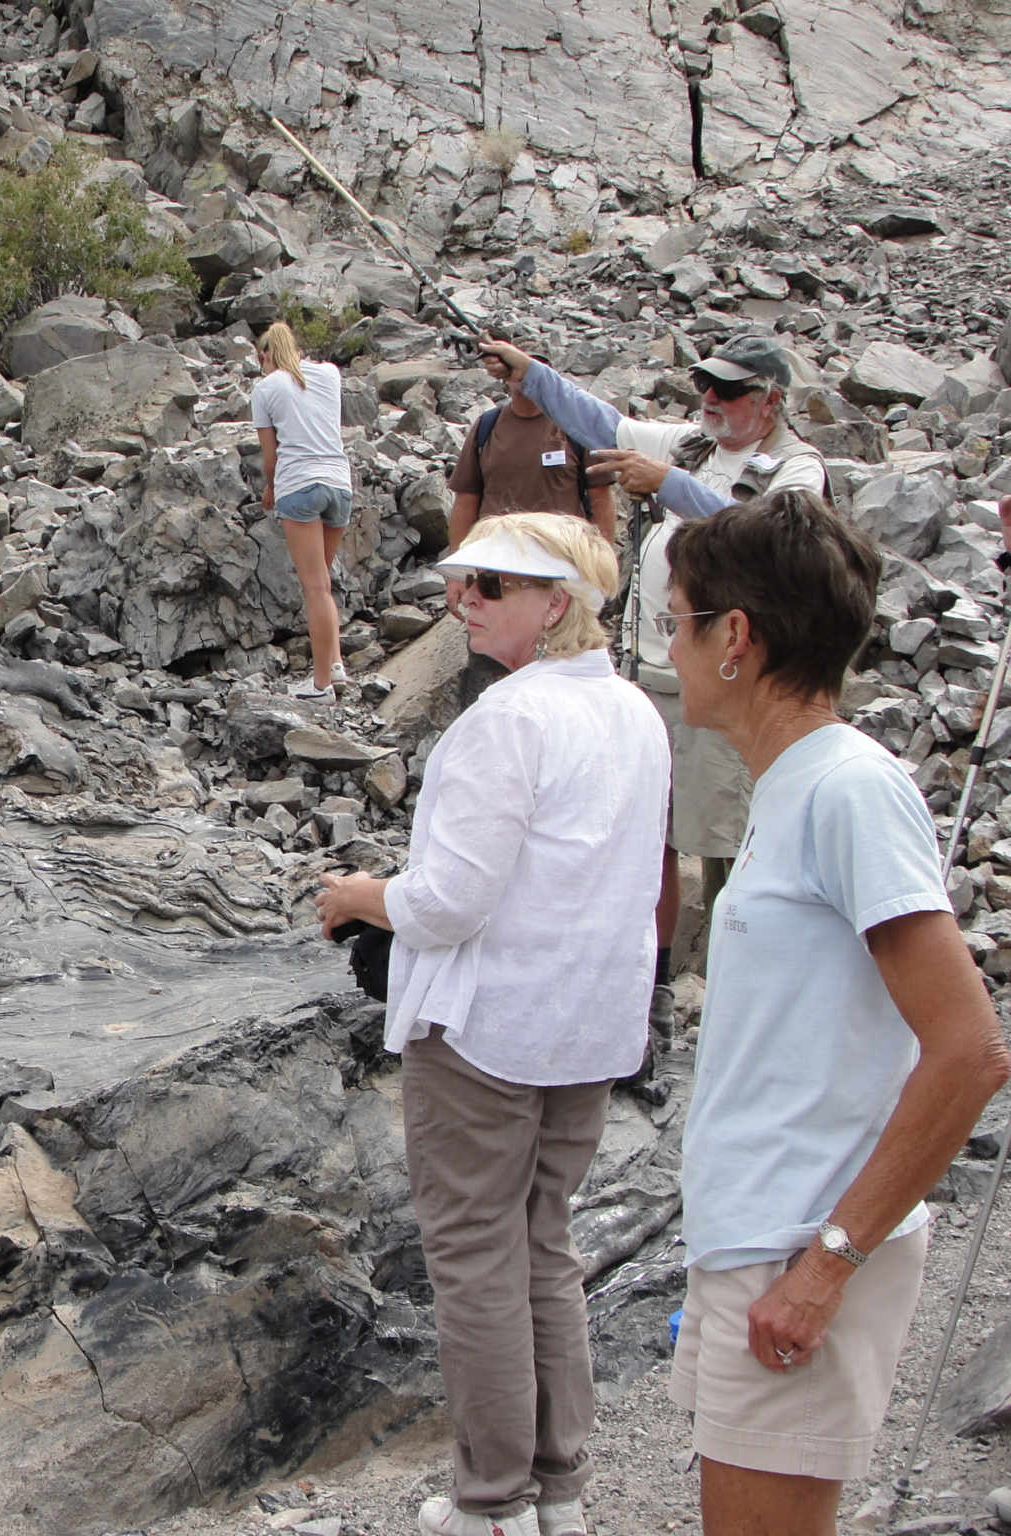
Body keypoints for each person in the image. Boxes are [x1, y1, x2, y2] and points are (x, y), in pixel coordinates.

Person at [659, 488, 1009, 1536]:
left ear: (734, 638)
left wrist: (824, 1267)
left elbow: (968, 1049)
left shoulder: (846, 790)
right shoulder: (792, 785)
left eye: (674, 621)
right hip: (757, 1238)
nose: (664, 647)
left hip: (794, 1246)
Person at [315, 513, 670, 1536]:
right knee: (541, 1246)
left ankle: (489, 1501)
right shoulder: (636, 713)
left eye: (488, 588)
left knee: (473, 1254)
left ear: (553, 604)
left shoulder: (504, 722)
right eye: (463, 585)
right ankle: (555, 1488)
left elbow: (446, 906)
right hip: (588, 1024)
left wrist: (359, 894)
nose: (461, 603)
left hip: (483, 1028)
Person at [479, 331, 826, 1031]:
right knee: (655, 835)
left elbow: (768, 537)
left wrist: (666, 485)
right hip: (659, 674)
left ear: (772, 400)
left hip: (733, 678)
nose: (709, 400)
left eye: (727, 391)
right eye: (705, 385)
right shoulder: (692, 442)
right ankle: (655, 986)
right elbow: (601, 424)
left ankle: (746, 995)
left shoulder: (798, 469)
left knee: (729, 839)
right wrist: (533, 374)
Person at [445, 347, 618, 703]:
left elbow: (600, 497)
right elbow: (466, 499)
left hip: (557, 577)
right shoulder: (487, 428)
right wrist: (457, 574)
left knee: (561, 667)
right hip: (495, 577)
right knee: (491, 666)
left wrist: (600, 567)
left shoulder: (574, 428)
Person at [252, 320, 355, 699]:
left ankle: (321, 684)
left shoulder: (266, 388)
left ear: (266, 354)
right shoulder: (329, 374)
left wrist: (270, 488)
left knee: (314, 587)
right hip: (339, 484)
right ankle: (337, 664)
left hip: (299, 484)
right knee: (324, 584)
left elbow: (271, 457)